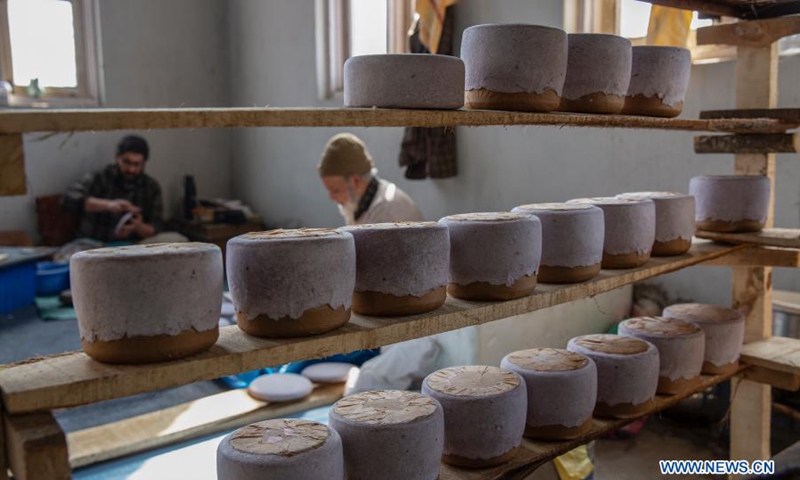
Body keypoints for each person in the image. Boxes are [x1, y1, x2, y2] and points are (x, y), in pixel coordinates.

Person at [64, 135, 185, 244]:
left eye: (137, 164)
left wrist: (138, 226)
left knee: (177, 240)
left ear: (144, 163)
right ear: (117, 157)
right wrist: (108, 205)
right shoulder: (101, 177)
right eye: (126, 162)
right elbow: (69, 198)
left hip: (132, 247)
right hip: (94, 245)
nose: (131, 169)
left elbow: (156, 227)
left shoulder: (151, 187)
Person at [318, 133, 423, 226]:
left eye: (335, 190)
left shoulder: (385, 212)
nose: (331, 197)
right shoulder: (358, 204)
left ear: (355, 181)